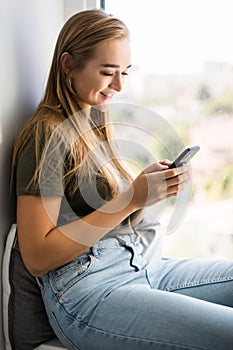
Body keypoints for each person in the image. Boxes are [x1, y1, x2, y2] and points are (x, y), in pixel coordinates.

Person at [11, 8, 233, 350]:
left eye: (125, 73)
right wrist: (130, 198)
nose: (118, 85)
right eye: (107, 72)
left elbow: (110, 217)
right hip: (87, 291)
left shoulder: (95, 125)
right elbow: (38, 256)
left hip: (138, 265)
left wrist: (151, 192)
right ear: (68, 64)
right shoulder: (45, 133)